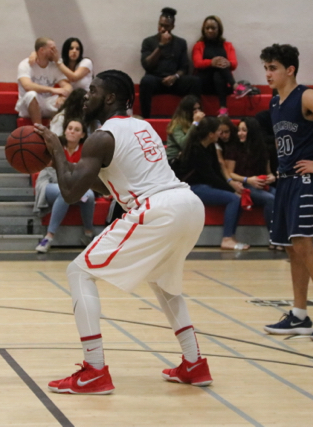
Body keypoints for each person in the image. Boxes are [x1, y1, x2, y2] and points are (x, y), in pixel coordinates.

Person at [35, 69, 213, 394]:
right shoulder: (142, 126)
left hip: (159, 209)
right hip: (188, 204)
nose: (87, 95)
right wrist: (60, 165)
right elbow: (106, 183)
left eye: (94, 90)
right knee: (164, 283)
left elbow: (72, 193)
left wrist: (57, 151)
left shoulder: (101, 137)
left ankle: (94, 370)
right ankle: (195, 364)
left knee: (79, 272)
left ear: (111, 97)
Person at [260, 43, 313, 340]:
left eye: (272, 68)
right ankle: (299, 314)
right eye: (266, 68)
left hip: (307, 181)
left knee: (305, 246)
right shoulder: (274, 103)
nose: (268, 74)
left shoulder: (307, 96)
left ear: (290, 70)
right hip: (286, 180)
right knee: (292, 247)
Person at [180, 116, 249, 250]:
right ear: (211, 134)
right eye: (218, 131)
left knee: (237, 198)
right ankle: (227, 238)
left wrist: (232, 184)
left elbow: (216, 172)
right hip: (192, 188)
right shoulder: (196, 150)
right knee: (234, 199)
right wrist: (231, 189)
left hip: (205, 185)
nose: (220, 133)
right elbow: (210, 176)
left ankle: (231, 236)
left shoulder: (210, 147)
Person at [34, 119, 95, 253]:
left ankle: (88, 234)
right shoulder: (55, 147)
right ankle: (49, 237)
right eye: (70, 128)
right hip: (51, 185)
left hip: (76, 188)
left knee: (90, 195)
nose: (72, 131)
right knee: (64, 192)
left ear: (83, 135)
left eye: (76, 130)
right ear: (65, 131)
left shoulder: (87, 152)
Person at [139, 7, 201, 118]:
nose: (162, 29)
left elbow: (184, 67)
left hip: (174, 81)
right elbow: (146, 64)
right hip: (156, 79)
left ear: (172, 27)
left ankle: (192, 118)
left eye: (166, 26)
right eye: (160, 25)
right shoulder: (148, 41)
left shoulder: (180, 43)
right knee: (146, 81)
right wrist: (161, 46)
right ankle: (146, 118)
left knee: (194, 81)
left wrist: (175, 76)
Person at [224, 117, 277, 246]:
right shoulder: (234, 148)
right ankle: (274, 238)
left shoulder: (262, 149)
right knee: (270, 199)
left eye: (244, 130)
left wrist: (272, 177)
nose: (240, 133)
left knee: (282, 195)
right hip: (245, 185)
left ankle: (287, 236)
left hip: (260, 184)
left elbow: (268, 171)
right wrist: (248, 179)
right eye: (239, 130)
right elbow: (229, 173)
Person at [192, 15, 250, 116]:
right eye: (207, 28)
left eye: (213, 28)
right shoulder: (199, 45)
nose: (210, 30)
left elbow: (234, 63)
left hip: (221, 84)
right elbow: (197, 63)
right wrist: (211, 62)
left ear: (219, 29)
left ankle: (223, 109)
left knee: (218, 73)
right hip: (204, 83)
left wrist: (229, 63)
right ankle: (235, 86)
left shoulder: (228, 45)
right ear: (203, 30)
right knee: (219, 66)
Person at [16, 37, 72, 125]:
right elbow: (27, 86)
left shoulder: (54, 67)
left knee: (68, 99)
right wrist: (52, 90)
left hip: (46, 102)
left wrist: (62, 96)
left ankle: (57, 131)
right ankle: (39, 129)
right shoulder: (25, 64)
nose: (55, 52)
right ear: (42, 50)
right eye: (52, 49)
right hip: (27, 105)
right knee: (31, 94)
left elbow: (67, 86)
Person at [165, 94, 205, 162]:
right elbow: (184, 145)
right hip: (174, 160)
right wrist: (195, 123)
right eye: (194, 109)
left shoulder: (199, 123)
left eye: (199, 109)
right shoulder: (177, 124)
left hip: (190, 157)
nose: (197, 112)